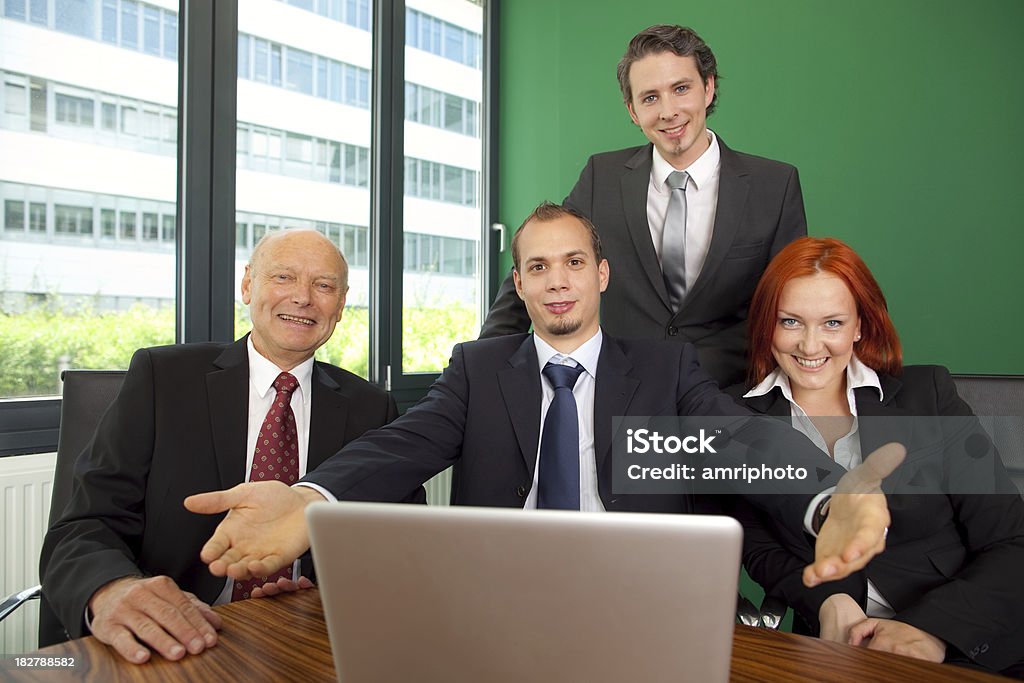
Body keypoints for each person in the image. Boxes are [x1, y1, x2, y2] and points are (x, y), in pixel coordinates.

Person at [184, 203, 900, 599]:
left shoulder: (665, 369)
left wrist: (833, 493)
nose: (557, 281)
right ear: (520, 286)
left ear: (601, 275)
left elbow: (740, 436)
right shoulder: (477, 369)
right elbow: (404, 444)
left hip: (639, 600)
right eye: (537, 267)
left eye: (573, 263)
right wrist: (311, 495)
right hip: (499, 599)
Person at [40, 230, 419, 664]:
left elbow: (399, 540)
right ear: (247, 286)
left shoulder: (372, 408)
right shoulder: (163, 379)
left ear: (341, 304)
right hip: (174, 639)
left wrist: (327, 588)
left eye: (324, 285)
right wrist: (113, 589)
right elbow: (82, 526)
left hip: (300, 638)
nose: (302, 298)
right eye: (283, 277)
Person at [729, 237, 1024, 676]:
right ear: (766, 325)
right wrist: (829, 601)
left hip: (969, 644)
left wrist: (928, 632)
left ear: (860, 326)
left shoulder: (929, 397)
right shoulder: (733, 418)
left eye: (832, 323)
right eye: (790, 322)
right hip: (837, 653)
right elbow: (762, 551)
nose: (810, 346)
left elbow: (1012, 542)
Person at [481, 25, 806, 387]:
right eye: (650, 97)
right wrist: (477, 367)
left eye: (681, 89)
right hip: (622, 394)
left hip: (730, 397)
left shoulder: (774, 185)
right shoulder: (600, 177)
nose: (668, 111)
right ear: (633, 110)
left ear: (708, 87)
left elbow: (793, 304)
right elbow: (539, 260)